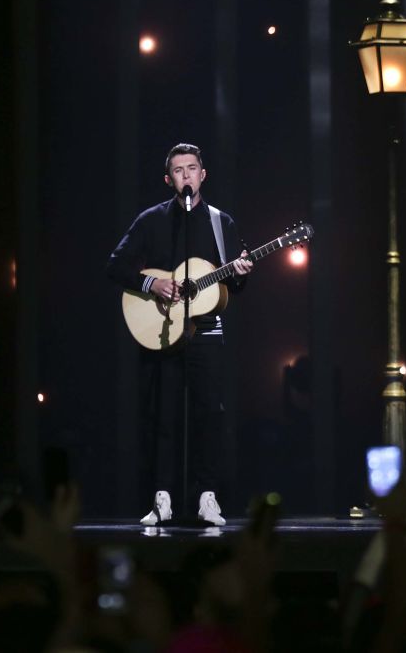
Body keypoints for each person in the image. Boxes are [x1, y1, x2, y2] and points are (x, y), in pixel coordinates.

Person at [107, 143, 253, 526]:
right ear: (168, 179)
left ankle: (207, 496)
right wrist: (151, 282)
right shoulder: (151, 220)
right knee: (163, 416)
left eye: (192, 168)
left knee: (209, 416)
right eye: (178, 170)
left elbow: (229, 289)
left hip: (206, 332)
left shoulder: (222, 223)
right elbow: (116, 265)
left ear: (203, 175)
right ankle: (162, 498)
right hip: (162, 331)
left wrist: (237, 275)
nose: (186, 176)